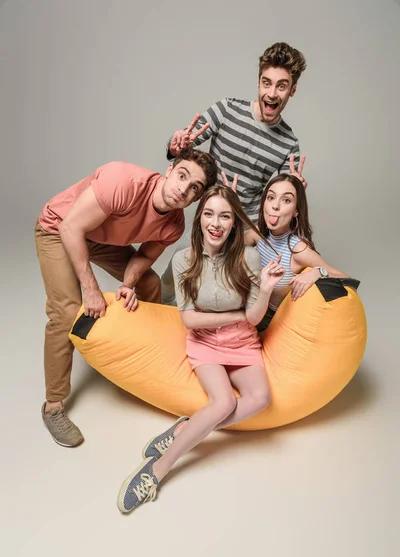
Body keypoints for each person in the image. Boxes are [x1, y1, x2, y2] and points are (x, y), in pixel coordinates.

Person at [117, 184, 285, 514]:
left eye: (225, 216)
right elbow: (190, 320)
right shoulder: (183, 260)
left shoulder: (249, 257)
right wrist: (235, 317)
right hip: (205, 344)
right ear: (199, 220)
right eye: (209, 214)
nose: (216, 223)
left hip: (241, 343)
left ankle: (183, 429)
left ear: (234, 222)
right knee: (221, 402)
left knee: (261, 398)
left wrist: (265, 290)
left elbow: (254, 317)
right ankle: (157, 469)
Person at [35, 148, 217, 448]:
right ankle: (53, 405)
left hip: (98, 238)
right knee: (66, 313)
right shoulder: (124, 181)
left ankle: (146, 362)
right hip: (60, 228)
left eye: (193, 189)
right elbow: (71, 227)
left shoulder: (174, 225)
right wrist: (91, 289)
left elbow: (145, 256)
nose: (183, 189)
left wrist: (129, 285)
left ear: (196, 199)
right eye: (182, 176)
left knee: (149, 283)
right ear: (169, 171)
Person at [161, 41, 307, 304]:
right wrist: (176, 146)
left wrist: (294, 190)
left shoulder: (289, 144)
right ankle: (156, 318)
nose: (272, 93)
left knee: (230, 293)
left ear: (292, 90)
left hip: (247, 230)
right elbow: (186, 145)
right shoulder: (227, 110)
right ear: (259, 82)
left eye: (281, 86)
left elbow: (281, 203)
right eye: (266, 82)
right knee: (179, 272)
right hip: (213, 214)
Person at [244, 174, 349, 330]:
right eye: (271, 197)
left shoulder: (298, 250)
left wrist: (318, 272)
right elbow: (225, 248)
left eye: (286, 200)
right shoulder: (258, 234)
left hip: (268, 324)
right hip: (246, 308)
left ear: (296, 211)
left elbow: (347, 279)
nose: (275, 206)